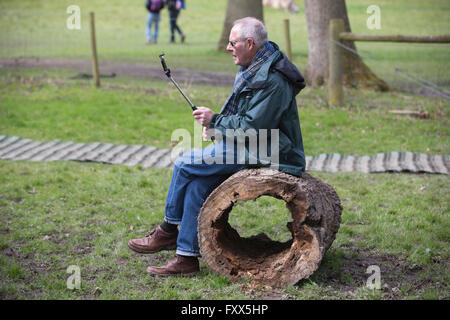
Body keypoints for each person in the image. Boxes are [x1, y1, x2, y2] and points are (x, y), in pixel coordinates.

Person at [128, 17, 306, 276]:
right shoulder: (256, 65)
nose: (228, 47)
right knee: (197, 184)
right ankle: (186, 258)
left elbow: (253, 127)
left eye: (232, 43)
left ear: (249, 43)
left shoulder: (273, 79)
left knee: (184, 164)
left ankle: (166, 231)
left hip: (272, 151)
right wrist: (216, 127)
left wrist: (216, 121)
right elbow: (247, 117)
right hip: (256, 143)